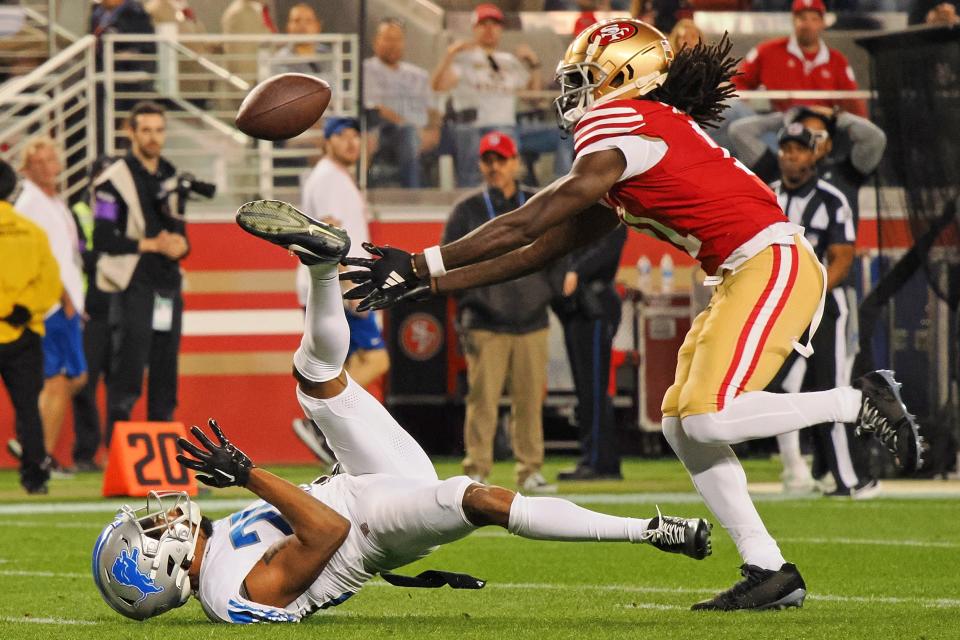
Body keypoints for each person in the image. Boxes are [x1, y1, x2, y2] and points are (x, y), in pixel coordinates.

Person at [338, 19, 924, 610]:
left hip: (770, 261)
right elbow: (543, 249)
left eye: (586, 77)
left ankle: (857, 401)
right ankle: (768, 568)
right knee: (680, 426)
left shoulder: (620, 122)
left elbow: (528, 220)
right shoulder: (637, 143)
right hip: (744, 270)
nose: (574, 90)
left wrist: (418, 262)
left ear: (625, 77)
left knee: (709, 418)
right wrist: (429, 284)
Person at [92, 205, 712, 623]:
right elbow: (330, 534)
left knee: (315, 381)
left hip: (357, 482)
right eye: (148, 534)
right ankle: (651, 530)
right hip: (372, 529)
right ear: (159, 567)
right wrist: (251, 473)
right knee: (478, 499)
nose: (160, 519)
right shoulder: (231, 595)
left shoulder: (222, 547)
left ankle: (322, 267)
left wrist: (259, 480)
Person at [767, 123, 878, 499]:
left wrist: (807, 293)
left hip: (826, 308)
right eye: (785, 149)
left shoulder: (832, 198)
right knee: (780, 388)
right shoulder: (767, 196)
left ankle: (850, 479)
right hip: (782, 308)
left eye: (798, 149)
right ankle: (797, 470)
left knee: (830, 389)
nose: (790, 156)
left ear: (814, 154)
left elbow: (842, 259)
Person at [442, 131, 557, 492]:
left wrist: (547, 291)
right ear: (480, 164)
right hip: (485, 322)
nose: (495, 167)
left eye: (501, 160)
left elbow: (558, 249)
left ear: (515, 163)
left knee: (529, 402)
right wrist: (470, 304)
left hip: (531, 319)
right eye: (488, 160)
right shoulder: (467, 210)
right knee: (482, 402)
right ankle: (476, 469)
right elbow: (449, 261)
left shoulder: (536, 203)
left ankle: (530, 470)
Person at [293, 116, 389, 462]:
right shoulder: (329, 179)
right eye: (342, 136)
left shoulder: (334, 177)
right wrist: (349, 282)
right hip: (340, 285)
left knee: (341, 365)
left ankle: (333, 434)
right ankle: (317, 418)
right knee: (377, 358)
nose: (351, 142)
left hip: (336, 283)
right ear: (327, 142)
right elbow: (332, 234)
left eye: (355, 136)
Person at [93, 101, 189, 445]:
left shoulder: (171, 175)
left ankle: (164, 459)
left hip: (167, 285)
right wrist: (152, 245)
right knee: (128, 371)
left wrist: (180, 246)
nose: (153, 137)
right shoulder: (111, 180)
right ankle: (117, 453)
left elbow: (181, 234)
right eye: (146, 130)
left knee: (166, 373)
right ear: (130, 132)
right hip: (133, 284)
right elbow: (102, 237)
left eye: (159, 130)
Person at [13, 136, 88, 477]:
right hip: (54, 304)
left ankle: (33, 446)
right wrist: (62, 295)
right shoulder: (29, 204)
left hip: (67, 301)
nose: (47, 167)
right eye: (38, 162)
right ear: (26, 169)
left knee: (72, 378)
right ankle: (38, 454)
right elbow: (38, 257)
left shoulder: (53, 201)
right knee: (59, 380)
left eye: (51, 160)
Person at [431, 3, 569, 187]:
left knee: (563, 134)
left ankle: (562, 187)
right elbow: (438, 86)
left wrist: (534, 63)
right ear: (474, 29)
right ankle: (486, 192)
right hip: (475, 126)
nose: (489, 29)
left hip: (511, 126)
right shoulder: (463, 59)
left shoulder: (509, 61)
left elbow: (533, 97)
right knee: (494, 139)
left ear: (501, 29)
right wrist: (449, 55)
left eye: (494, 25)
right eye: (484, 24)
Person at [0, 159, 61, 494]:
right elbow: (50, 281)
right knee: (28, 410)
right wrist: (25, 309)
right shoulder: (32, 231)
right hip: (23, 331)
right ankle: (35, 476)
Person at [554, 223, 628, 481]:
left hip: (593, 308)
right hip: (579, 307)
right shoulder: (582, 216)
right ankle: (599, 460)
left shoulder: (611, 218)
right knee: (588, 390)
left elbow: (607, 247)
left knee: (593, 390)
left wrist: (575, 270)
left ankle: (598, 461)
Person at [728, 105, 886, 223]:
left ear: (829, 144)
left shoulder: (847, 172)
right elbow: (739, 132)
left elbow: (875, 139)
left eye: (817, 136)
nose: (810, 143)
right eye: (804, 136)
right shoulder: (780, 165)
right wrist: (785, 119)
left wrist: (838, 117)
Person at [733, 0, 867, 118]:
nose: (807, 25)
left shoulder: (837, 60)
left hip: (824, 127)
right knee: (732, 111)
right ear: (793, 20)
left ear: (823, 23)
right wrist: (749, 107)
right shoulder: (767, 51)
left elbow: (853, 103)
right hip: (779, 125)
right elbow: (738, 82)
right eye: (802, 18)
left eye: (814, 19)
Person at [364, 17, 440, 188]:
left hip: (420, 133)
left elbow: (432, 110)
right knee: (408, 133)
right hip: (383, 132)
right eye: (388, 39)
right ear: (376, 42)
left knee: (458, 133)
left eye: (397, 39)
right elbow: (377, 108)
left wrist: (433, 130)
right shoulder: (366, 70)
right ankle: (413, 193)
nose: (393, 44)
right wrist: (413, 128)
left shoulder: (418, 74)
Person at [273, 3, 331, 76]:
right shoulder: (279, 61)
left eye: (308, 21)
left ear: (318, 26)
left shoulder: (330, 54)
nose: (302, 25)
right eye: (297, 20)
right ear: (288, 27)